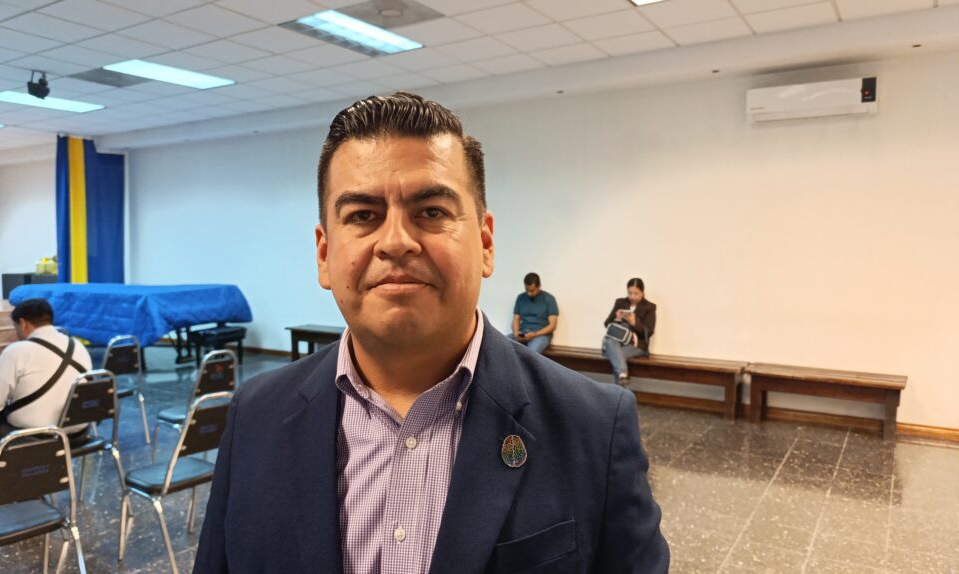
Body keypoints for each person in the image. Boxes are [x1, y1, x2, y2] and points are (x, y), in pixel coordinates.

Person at [194, 92, 668, 574]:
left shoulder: (594, 427)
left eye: (432, 211)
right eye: (363, 215)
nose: (396, 241)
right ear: (324, 254)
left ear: (485, 242)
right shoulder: (255, 417)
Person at [0, 298, 91, 474]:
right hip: (77, 435)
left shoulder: (17, 351)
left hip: (34, 438)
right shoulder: (77, 345)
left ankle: (20, 484)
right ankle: (35, 480)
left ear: (23, 323)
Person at [602, 278, 657, 385]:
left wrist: (634, 323)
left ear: (642, 292)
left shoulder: (649, 307)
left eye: (636, 293)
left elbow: (649, 332)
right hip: (617, 342)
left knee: (617, 356)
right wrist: (617, 318)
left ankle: (620, 388)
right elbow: (607, 324)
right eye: (630, 293)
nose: (632, 296)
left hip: (636, 345)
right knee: (609, 341)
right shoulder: (620, 302)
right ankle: (623, 375)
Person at [509, 272, 559, 354]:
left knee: (531, 352)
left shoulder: (549, 299)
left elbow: (552, 326)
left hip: (541, 335)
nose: (529, 293)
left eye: (532, 291)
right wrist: (516, 333)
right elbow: (516, 319)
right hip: (523, 333)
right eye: (527, 290)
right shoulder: (520, 298)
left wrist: (535, 334)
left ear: (539, 286)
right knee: (503, 343)